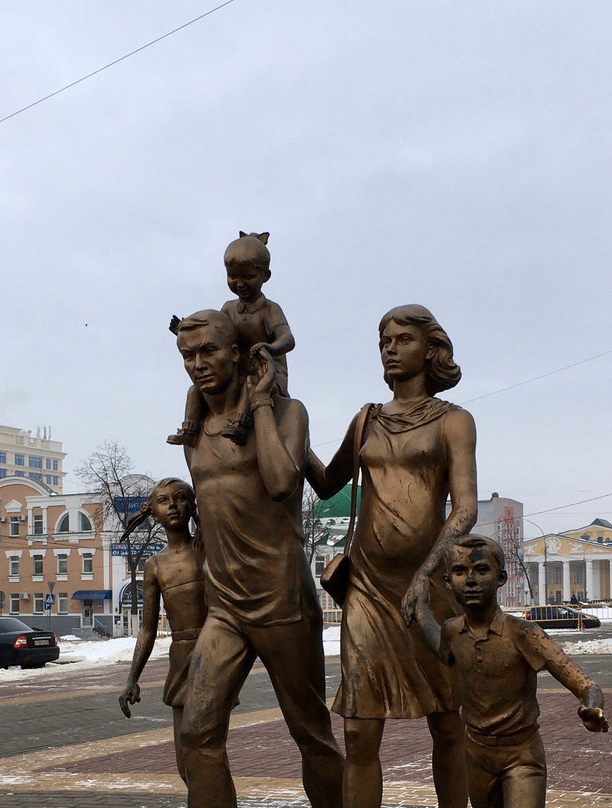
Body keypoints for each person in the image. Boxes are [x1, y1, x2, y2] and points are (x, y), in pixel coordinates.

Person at [307, 303, 477, 808]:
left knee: (448, 723)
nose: (390, 347)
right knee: (360, 734)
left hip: (431, 592)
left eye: (402, 339)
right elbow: (323, 482)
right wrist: (283, 419)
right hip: (368, 590)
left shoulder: (454, 421)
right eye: (384, 340)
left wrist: (427, 573)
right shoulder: (366, 421)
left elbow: (465, 506)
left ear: (430, 349)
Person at [175, 309, 342, 808]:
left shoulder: (290, 414)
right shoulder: (196, 428)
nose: (197, 364)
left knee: (310, 734)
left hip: (281, 599)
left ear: (236, 353)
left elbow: (280, 482)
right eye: (187, 355)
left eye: (207, 351)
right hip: (225, 606)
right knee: (197, 732)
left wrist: (263, 402)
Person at [415, 535, 609, 808]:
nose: (470, 580)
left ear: (501, 578)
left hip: (521, 756)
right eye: (460, 571)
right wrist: (420, 610)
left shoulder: (524, 634)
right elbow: (440, 647)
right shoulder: (452, 631)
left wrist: (592, 706)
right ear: (448, 582)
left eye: (481, 570)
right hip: (476, 754)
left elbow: (585, 684)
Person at [118, 478, 208, 783]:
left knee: (208, 750)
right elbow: (148, 628)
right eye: (163, 500)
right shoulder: (155, 565)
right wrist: (132, 678)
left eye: (180, 497)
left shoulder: (210, 549)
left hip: (214, 650)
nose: (172, 505)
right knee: (186, 763)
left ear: (192, 505)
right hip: (181, 658)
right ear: (153, 513)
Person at [168, 232, 295, 446]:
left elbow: (288, 339)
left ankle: (241, 425)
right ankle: (189, 429)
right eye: (233, 277)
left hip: (266, 373)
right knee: (196, 389)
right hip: (236, 370)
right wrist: (183, 330)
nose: (240, 283)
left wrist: (270, 347)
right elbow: (214, 333)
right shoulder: (228, 308)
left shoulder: (269, 309)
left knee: (250, 382)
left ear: (266, 276)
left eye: (247, 277)